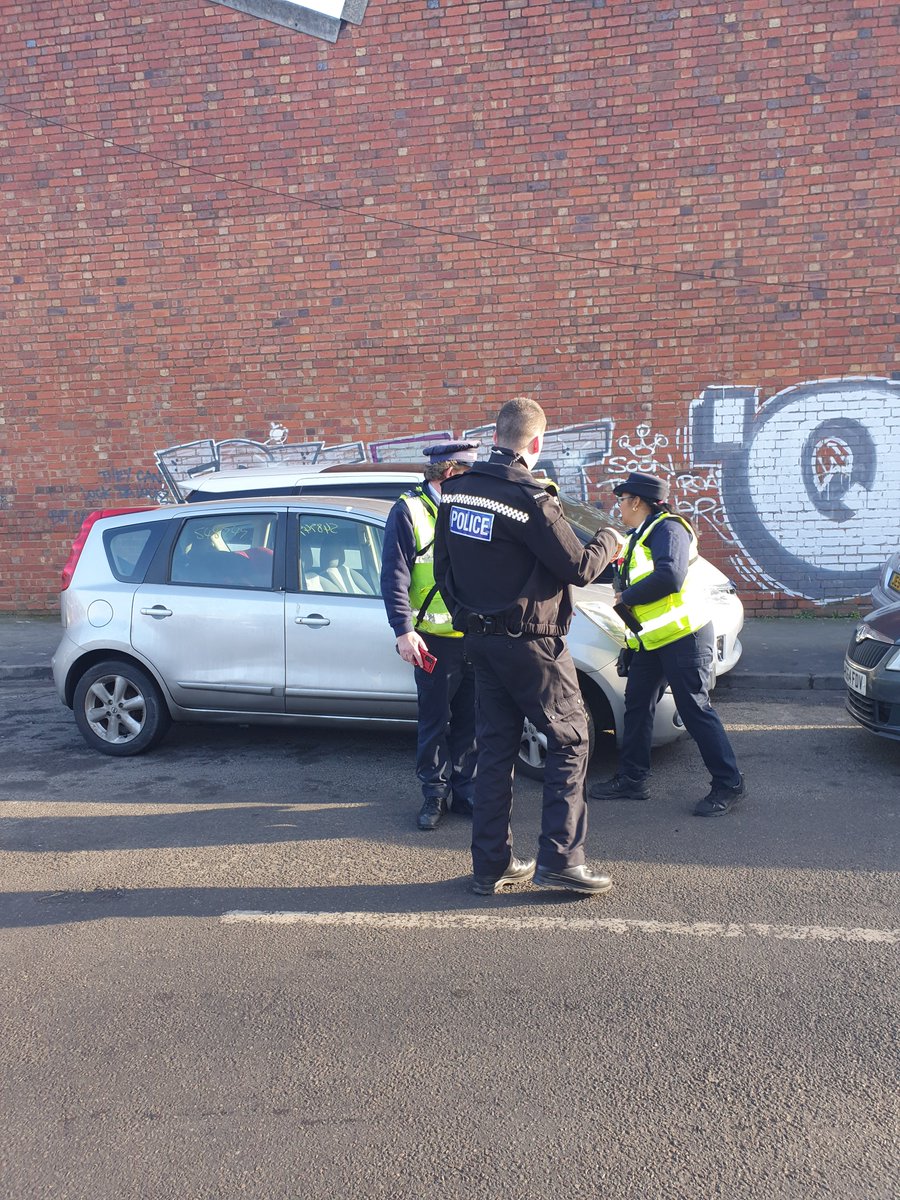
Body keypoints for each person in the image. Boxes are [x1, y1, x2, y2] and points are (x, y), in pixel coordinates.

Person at [433, 397, 625, 896]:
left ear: (496, 435)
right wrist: (610, 538)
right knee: (571, 739)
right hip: (532, 645)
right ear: (535, 442)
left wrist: (467, 620)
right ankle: (561, 859)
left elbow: (444, 571)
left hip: (480, 642)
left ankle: (491, 866)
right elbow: (579, 567)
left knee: (495, 750)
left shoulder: (455, 492)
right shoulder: (531, 498)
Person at [590, 471, 745, 816]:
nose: (619, 507)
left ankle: (729, 783)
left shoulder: (668, 529)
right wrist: (631, 642)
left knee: (695, 710)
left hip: (684, 637)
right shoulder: (641, 534)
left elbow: (670, 577)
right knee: (637, 704)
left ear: (636, 501)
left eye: (621, 500)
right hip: (652, 641)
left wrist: (624, 597)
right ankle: (632, 779)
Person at [380, 441, 480, 831]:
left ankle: (466, 789)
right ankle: (434, 795)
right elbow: (394, 576)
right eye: (470, 475)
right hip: (432, 639)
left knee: (472, 721)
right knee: (435, 721)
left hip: (472, 634)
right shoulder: (409, 510)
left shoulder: (472, 507)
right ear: (451, 474)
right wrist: (404, 630)